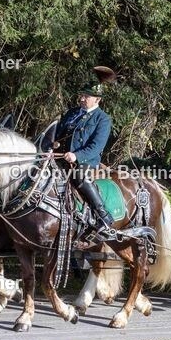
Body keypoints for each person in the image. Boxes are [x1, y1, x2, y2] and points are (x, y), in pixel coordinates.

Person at [51, 68, 117, 240]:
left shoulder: (102, 119)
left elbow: (96, 146)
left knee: (79, 177)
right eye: (81, 95)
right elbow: (59, 133)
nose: (81, 99)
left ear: (97, 99)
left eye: (86, 96)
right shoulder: (72, 113)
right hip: (60, 157)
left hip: (85, 161)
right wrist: (54, 143)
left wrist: (76, 156)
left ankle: (103, 216)